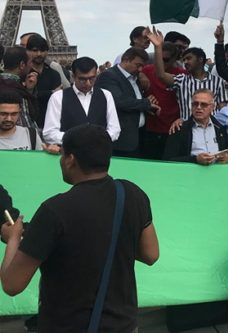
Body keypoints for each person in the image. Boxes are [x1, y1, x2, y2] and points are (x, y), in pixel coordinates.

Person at [0, 124, 159, 332]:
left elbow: (12, 284)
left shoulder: (54, 210)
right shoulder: (131, 193)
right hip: (124, 324)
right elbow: (150, 254)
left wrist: (13, 238)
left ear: (70, 160)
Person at [148, 28, 228, 120]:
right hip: (187, 129)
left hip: (211, 129)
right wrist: (158, 47)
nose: (185, 62)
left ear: (200, 59)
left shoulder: (217, 81)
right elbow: (161, 75)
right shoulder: (181, 80)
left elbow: (223, 108)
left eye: (189, 58)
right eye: (184, 59)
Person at [95, 47, 161, 157]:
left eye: (142, 66)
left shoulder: (134, 78)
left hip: (137, 137)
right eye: (138, 65)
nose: (140, 69)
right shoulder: (109, 76)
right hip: (121, 141)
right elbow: (119, 101)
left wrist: (148, 108)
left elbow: (133, 101)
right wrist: (146, 103)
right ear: (126, 60)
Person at [43, 57, 121, 146]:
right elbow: (49, 132)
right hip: (70, 154)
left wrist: (98, 140)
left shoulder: (106, 95)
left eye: (91, 78)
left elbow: (115, 129)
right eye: (82, 79)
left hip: (100, 153)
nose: (88, 83)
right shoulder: (58, 97)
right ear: (73, 76)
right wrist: (78, 140)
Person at [140, 41, 186, 159]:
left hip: (173, 128)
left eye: (165, 60)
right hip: (151, 128)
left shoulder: (182, 76)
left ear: (174, 59)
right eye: (158, 59)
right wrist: (144, 98)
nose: (160, 63)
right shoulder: (146, 71)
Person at [163, 90, 228, 165]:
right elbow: (168, 160)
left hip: (216, 173)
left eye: (203, 104)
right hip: (190, 174)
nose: (198, 107)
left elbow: (227, 154)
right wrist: (195, 159)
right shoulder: (179, 128)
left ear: (212, 107)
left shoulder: (220, 129)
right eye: (195, 104)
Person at [25, 34, 63, 129]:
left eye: (42, 50)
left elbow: (58, 98)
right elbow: (24, 97)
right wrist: (51, 92)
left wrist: (34, 93)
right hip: (28, 125)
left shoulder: (54, 74)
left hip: (51, 125)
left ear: (47, 52)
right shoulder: (23, 74)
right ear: (27, 51)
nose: (39, 54)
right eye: (35, 50)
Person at [0, 46, 38, 134]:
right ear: (22, 65)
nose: (31, 65)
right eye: (30, 62)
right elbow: (27, 125)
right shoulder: (18, 92)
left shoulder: (10, 86)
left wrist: (29, 90)